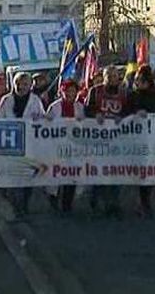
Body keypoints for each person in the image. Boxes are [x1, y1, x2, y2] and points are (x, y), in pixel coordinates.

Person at [0, 72, 45, 218]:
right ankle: (16, 207)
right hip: (11, 144)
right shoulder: (6, 100)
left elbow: (43, 120)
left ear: (30, 86)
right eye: (18, 83)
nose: (20, 87)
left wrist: (39, 118)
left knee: (27, 177)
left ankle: (24, 206)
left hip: (30, 144)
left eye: (24, 84)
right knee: (13, 178)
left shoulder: (35, 100)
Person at [84, 65, 130, 218]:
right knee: (99, 171)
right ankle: (95, 201)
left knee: (116, 171)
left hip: (117, 139)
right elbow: (86, 110)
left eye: (114, 76)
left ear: (119, 77)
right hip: (98, 138)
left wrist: (122, 117)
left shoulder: (124, 93)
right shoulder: (95, 91)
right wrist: (95, 114)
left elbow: (130, 111)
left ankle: (114, 204)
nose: (112, 79)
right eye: (108, 76)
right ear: (104, 77)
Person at [128, 65, 155, 218]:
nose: (138, 83)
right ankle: (144, 202)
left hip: (154, 138)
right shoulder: (132, 95)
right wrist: (135, 112)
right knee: (141, 170)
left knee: (150, 170)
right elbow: (126, 113)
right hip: (137, 139)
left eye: (141, 80)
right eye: (137, 80)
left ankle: (144, 200)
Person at [45, 79, 85, 214]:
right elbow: (46, 124)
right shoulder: (55, 107)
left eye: (73, 91)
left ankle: (67, 204)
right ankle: (53, 197)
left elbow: (85, 126)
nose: (70, 94)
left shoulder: (79, 107)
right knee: (56, 174)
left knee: (72, 174)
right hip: (57, 145)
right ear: (62, 92)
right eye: (67, 91)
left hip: (73, 146)